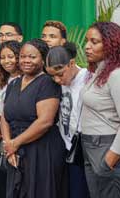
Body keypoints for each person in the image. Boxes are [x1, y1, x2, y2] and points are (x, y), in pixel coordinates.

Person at [81, 22, 120, 198]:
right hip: (91, 148)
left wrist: (107, 163)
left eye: (94, 42)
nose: (87, 46)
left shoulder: (118, 75)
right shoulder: (100, 72)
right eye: (87, 41)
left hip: (108, 149)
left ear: (111, 44)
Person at [0, 39, 66, 198]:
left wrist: (15, 143)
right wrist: (8, 145)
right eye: (23, 56)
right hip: (15, 150)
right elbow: (5, 116)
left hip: (42, 149)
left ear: (43, 59)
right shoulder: (13, 84)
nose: (26, 60)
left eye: (32, 57)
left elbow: (45, 122)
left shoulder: (48, 83)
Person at [46, 42, 90, 198]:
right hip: (67, 147)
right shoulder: (58, 84)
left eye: (60, 74)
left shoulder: (88, 78)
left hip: (86, 149)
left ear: (71, 63)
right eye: (52, 76)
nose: (57, 80)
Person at [0, 40, 22, 198]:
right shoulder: (4, 80)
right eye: (2, 58)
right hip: (5, 137)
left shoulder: (25, 79)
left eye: (10, 56)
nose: (6, 61)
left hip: (19, 136)